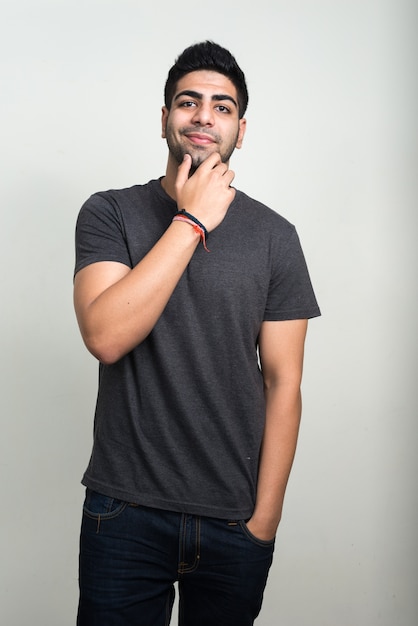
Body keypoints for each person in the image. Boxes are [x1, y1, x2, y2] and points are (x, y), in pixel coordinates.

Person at [73, 40, 320, 626]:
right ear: (165, 119)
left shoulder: (274, 236)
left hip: (234, 518)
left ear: (240, 128)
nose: (204, 116)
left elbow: (284, 382)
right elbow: (106, 336)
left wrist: (266, 518)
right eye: (189, 102)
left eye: (222, 106)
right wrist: (191, 221)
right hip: (124, 509)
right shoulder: (109, 213)